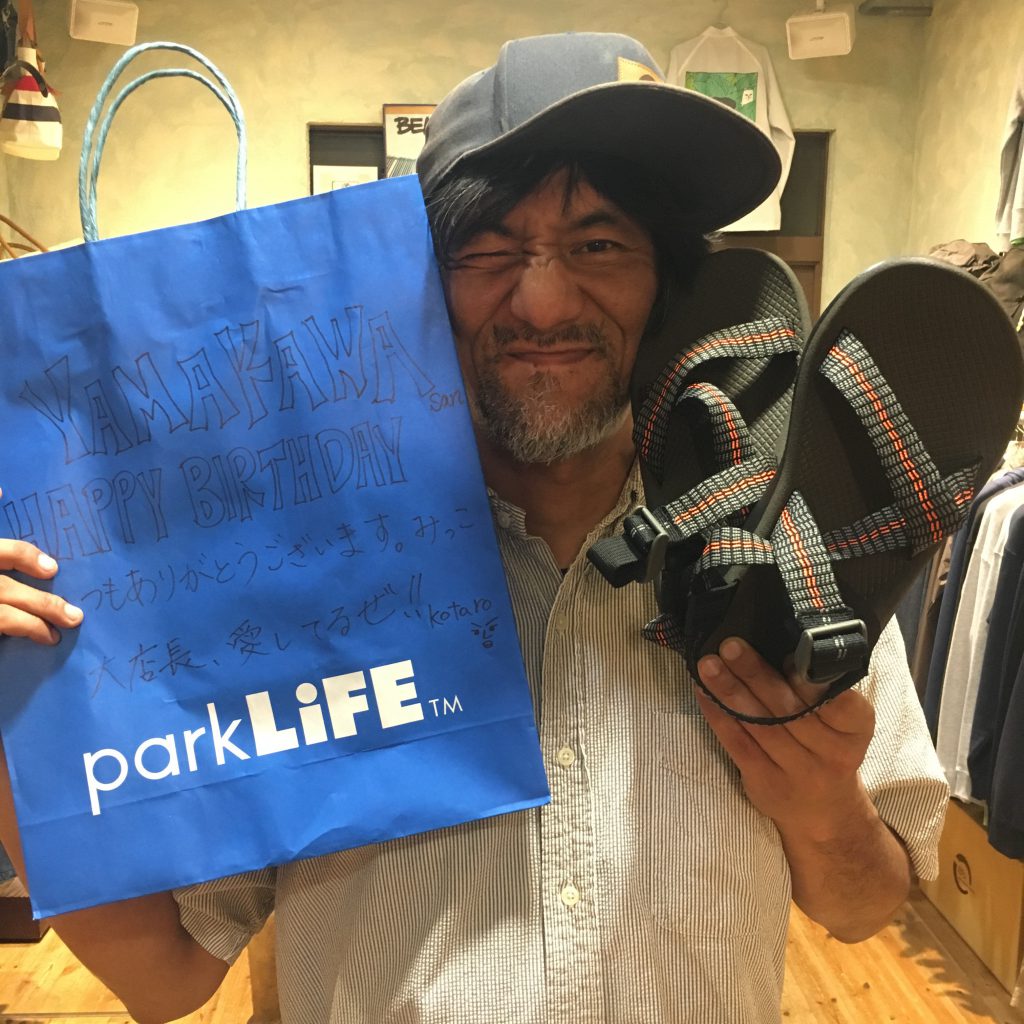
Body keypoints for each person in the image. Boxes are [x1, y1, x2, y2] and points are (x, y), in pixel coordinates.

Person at [0, 32, 947, 1024]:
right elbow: (165, 975)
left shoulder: (788, 547)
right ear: (413, 278)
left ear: (665, 279)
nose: (542, 300)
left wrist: (821, 809)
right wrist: (16, 705)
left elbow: (864, 906)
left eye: (599, 244)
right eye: (486, 249)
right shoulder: (293, 567)